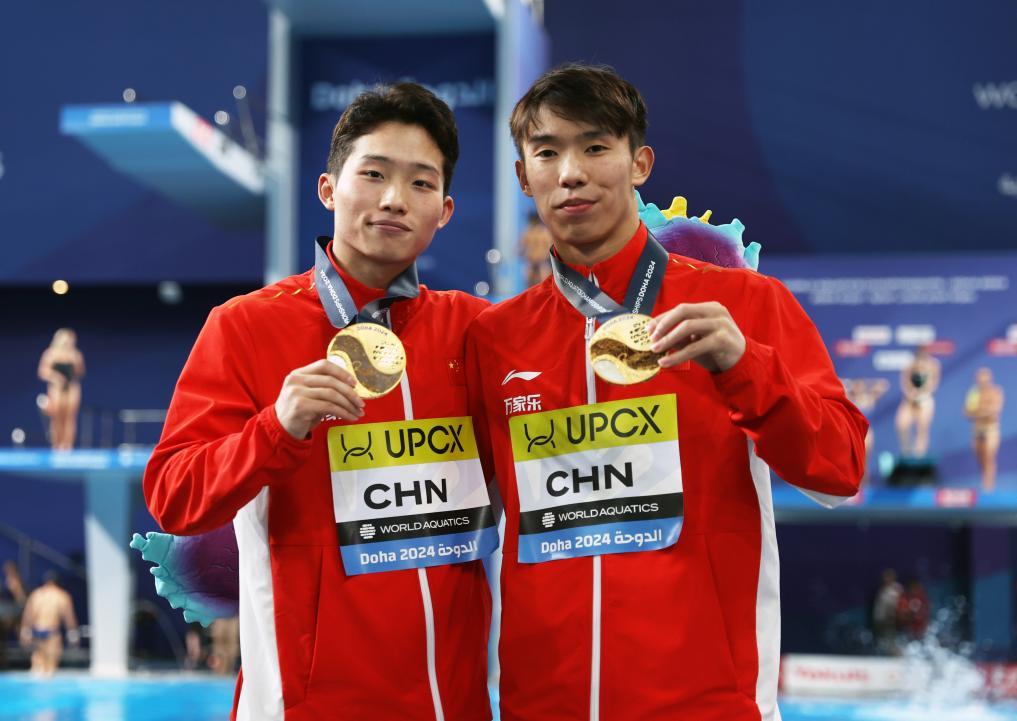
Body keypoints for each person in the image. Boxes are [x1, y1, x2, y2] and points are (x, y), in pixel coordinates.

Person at [464, 64, 867, 721]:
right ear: (523, 176)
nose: (571, 173)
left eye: (595, 146)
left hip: (706, 704)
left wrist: (743, 364)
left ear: (639, 163)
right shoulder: (494, 337)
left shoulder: (743, 304)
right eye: (547, 152)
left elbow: (839, 471)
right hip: (543, 704)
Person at [143, 83, 497, 720]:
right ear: (329, 189)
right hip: (299, 703)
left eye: (420, 183)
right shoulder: (246, 326)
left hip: (450, 704)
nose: (394, 199)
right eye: (374, 174)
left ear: (444, 210)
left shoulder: (476, 331)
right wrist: (275, 428)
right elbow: (173, 494)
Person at [19, 572, 79, 677]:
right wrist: (73, 633)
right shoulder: (61, 595)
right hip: (52, 634)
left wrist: (25, 631)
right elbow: (69, 617)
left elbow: (28, 615)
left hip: (37, 633)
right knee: (50, 669)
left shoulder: (36, 595)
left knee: (37, 669)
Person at [37, 328, 85, 450]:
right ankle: (56, 445)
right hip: (56, 388)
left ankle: (67, 446)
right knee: (57, 417)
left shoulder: (75, 355)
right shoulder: (50, 354)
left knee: (70, 418)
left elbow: (80, 372)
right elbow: (42, 371)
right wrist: (55, 377)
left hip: (71, 387)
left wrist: (74, 364)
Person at [964, 367, 1004, 491]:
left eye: (984, 378)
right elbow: (967, 413)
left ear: (989, 379)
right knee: (980, 458)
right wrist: (982, 412)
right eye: (979, 378)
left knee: (989, 456)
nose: (982, 380)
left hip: (991, 429)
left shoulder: (996, 391)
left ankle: (988, 487)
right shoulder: (974, 394)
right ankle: (985, 482)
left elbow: (994, 412)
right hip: (977, 430)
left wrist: (978, 413)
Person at [895, 347, 940, 457]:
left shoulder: (933, 365)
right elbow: (904, 382)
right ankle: (906, 452)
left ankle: (919, 455)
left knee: (922, 427)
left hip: (925, 398)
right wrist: (911, 394)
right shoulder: (909, 366)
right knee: (901, 424)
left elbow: (934, 383)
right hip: (909, 399)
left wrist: (922, 395)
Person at [845, 378, 890, 485]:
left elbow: (884, 384)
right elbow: (841, 385)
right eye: (857, 386)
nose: (859, 388)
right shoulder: (849, 398)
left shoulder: (870, 397)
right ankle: (852, 484)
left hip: (866, 434)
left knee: (864, 462)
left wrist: (866, 384)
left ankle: (864, 485)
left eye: (860, 386)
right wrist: (852, 385)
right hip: (853, 433)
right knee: (851, 462)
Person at [871, 568, 902, 654]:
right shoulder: (882, 589)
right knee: (883, 642)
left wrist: (893, 617)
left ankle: (898, 656)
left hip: (891, 621)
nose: (885, 579)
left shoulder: (896, 589)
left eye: (888, 577)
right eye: (885, 577)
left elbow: (896, 605)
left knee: (891, 641)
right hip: (881, 621)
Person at [519, 211, 554, 286]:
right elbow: (520, 248)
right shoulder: (529, 233)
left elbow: (520, 249)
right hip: (534, 261)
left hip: (541, 261)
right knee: (531, 282)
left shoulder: (541, 233)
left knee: (543, 282)